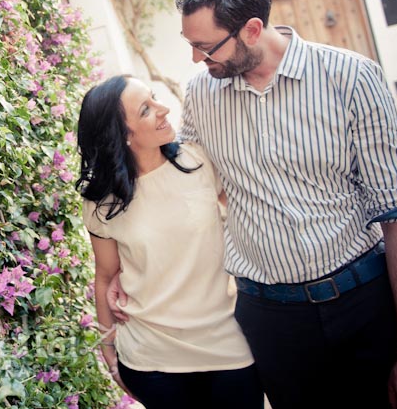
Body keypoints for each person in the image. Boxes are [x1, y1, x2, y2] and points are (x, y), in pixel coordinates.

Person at [108, 0, 397, 409]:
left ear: (252, 29)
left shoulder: (352, 78)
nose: (196, 59)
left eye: (204, 46)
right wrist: (122, 260)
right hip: (270, 319)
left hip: (362, 302)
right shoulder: (203, 94)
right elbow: (178, 180)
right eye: (191, 45)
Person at [75, 74, 263, 409]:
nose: (163, 109)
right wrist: (108, 350)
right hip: (152, 359)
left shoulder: (199, 161)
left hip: (227, 345)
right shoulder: (103, 203)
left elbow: (249, 220)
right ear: (122, 136)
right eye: (146, 109)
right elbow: (105, 275)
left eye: (155, 97)